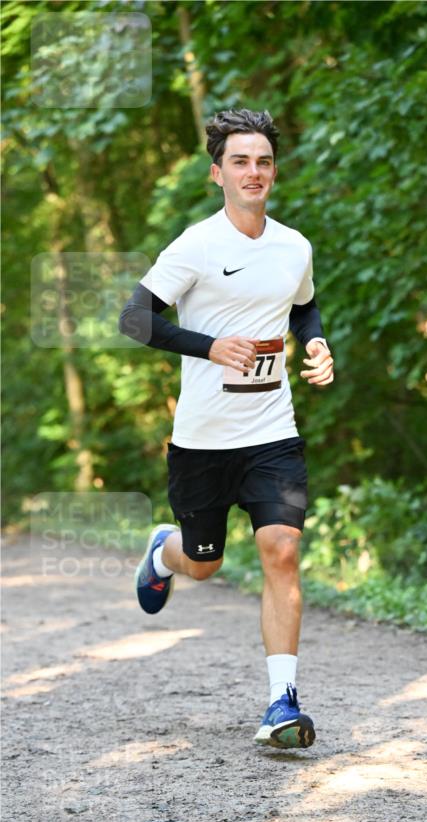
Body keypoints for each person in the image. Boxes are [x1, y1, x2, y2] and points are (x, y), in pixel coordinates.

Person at [118, 108, 334, 749]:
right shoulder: (195, 246)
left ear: (273, 173)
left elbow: (304, 307)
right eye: (240, 161)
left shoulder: (294, 246)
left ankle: (281, 702)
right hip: (203, 442)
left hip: (272, 431)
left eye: (263, 161)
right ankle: (165, 551)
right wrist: (209, 347)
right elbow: (135, 319)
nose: (254, 171)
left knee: (282, 552)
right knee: (205, 565)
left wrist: (316, 343)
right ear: (218, 173)